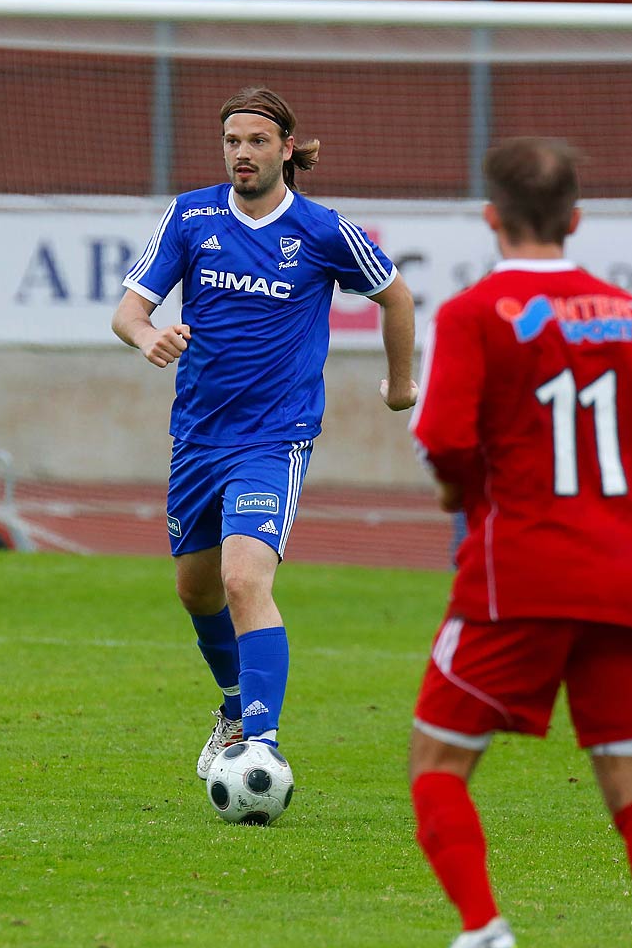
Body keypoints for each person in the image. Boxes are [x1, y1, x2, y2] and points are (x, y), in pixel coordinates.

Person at [405, 139, 632, 948]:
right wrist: (606, 505)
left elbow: (446, 439)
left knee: (437, 758)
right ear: (577, 217)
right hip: (623, 581)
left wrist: (462, 490)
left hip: (517, 578)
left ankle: (481, 925)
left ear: (490, 217)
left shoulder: (472, 313)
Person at [111, 86, 418, 785]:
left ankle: (261, 746)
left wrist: (402, 385)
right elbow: (128, 311)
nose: (241, 154)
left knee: (244, 578)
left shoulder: (321, 230)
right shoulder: (191, 216)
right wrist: (149, 337)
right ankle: (231, 709)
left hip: (274, 437)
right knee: (197, 593)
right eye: (231, 142)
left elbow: (394, 294)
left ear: (286, 147)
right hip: (197, 435)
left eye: (255, 141)